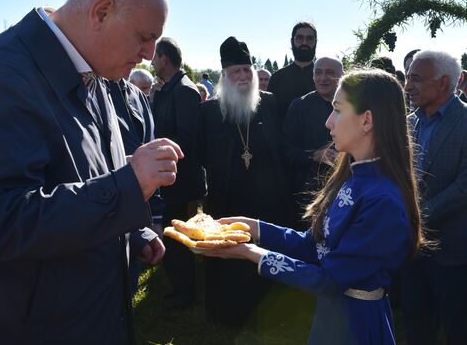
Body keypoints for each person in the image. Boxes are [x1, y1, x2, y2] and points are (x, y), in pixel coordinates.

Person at [0, 0, 181, 345]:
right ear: (101, 12)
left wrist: (130, 231)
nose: (150, 54)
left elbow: (78, 177)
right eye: (144, 37)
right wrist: (127, 187)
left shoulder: (94, 74)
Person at [207, 69, 424, 344]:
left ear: (367, 120)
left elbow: (330, 279)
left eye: (337, 110)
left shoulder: (383, 200)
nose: (328, 122)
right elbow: (316, 246)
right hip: (333, 315)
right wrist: (254, 227)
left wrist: (253, 254)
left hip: (356, 325)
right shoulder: (353, 178)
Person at [197, 36, 290, 327]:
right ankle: (228, 313)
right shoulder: (209, 112)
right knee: (228, 259)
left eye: (246, 70)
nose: (242, 76)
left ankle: (267, 311)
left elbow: (282, 148)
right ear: (224, 76)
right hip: (227, 198)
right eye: (235, 71)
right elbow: (200, 153)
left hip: (267, 202)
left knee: (263, 258)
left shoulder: (271, 104)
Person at [401, 50, 467, 345]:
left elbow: (464, 186)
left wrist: (417, 216)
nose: (408, 85)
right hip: (411, 250)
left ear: (443, 83)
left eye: (416, 78)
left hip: (454, 251)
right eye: (407, 77)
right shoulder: (407, 122)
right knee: (416, 322)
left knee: (457, 325)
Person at [151, 37, 206, 309]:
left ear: (164, 58)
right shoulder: (168, 89)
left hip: (180, 180)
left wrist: (156, 150)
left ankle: (186, 292)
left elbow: (187, 139)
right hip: (169, 177)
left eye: (154, 57)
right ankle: (179, 287)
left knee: (180, 238)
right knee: (173, 237)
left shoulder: (184, 91)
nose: (151, 63)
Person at [109, 76, 166, 293]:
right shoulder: (86, 91)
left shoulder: (138, 97)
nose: (146, 54)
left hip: (137, 217)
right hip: (101, 215)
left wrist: (155, 217)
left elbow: (152, 157)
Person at [283, 57, 343, 230]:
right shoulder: (299, 106)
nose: (323, 78)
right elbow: (287, 150)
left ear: (342, 76)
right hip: (308, 193)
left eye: (330, 73)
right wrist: (315, 155)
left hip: (346, 189)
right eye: (318, 72)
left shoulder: (356, 105)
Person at [268, 22, 317, 119]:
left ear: (316, 42)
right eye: (299, 38)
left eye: (310, 38)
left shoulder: (325, 78)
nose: (304, 43)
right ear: (292, 41)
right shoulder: (277, 78)